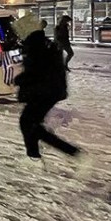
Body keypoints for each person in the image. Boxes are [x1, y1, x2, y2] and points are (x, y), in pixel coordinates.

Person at [15, 23, 79, 163]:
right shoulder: (43, 43)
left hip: (45, 91)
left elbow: (36, 71)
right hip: (50, 89)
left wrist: (19, 79)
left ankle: (70, 152)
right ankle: (34, 155)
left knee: (29, 123)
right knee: (29, 123)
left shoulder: (36, 46)